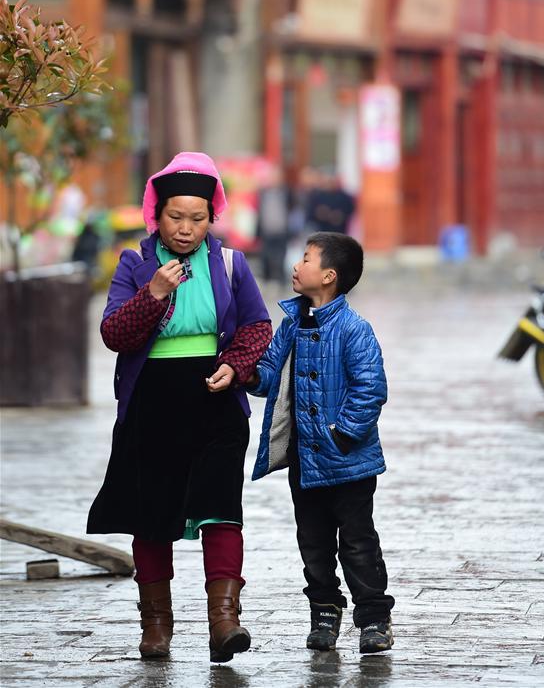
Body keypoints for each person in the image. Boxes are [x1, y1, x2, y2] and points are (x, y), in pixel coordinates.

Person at [87, 152, 272, 663]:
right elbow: (114, 334)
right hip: (153, 405)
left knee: (220, 509)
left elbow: (258, 327)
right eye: (175, 217)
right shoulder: (134, 264)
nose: (186, 229)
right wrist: (154, 293)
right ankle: (156, 626)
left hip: (214, 402)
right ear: (156, 214)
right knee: (152, 516)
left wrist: (235, 366)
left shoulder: (231, 263)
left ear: (212, 217)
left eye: (197, 217)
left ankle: (225, 622)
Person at [246, 232, 394, 654]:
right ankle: (325, 613)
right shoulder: (292, 323)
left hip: (348, 461)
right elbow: (271, 371)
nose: (296, 266)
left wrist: (342, 434)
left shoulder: (353, 329)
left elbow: (370, 388)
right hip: (305, 460)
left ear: (328, 276)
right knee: (313, 541)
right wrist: (248, 375)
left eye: (306, 259)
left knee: (357, 541)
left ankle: (373, 617)